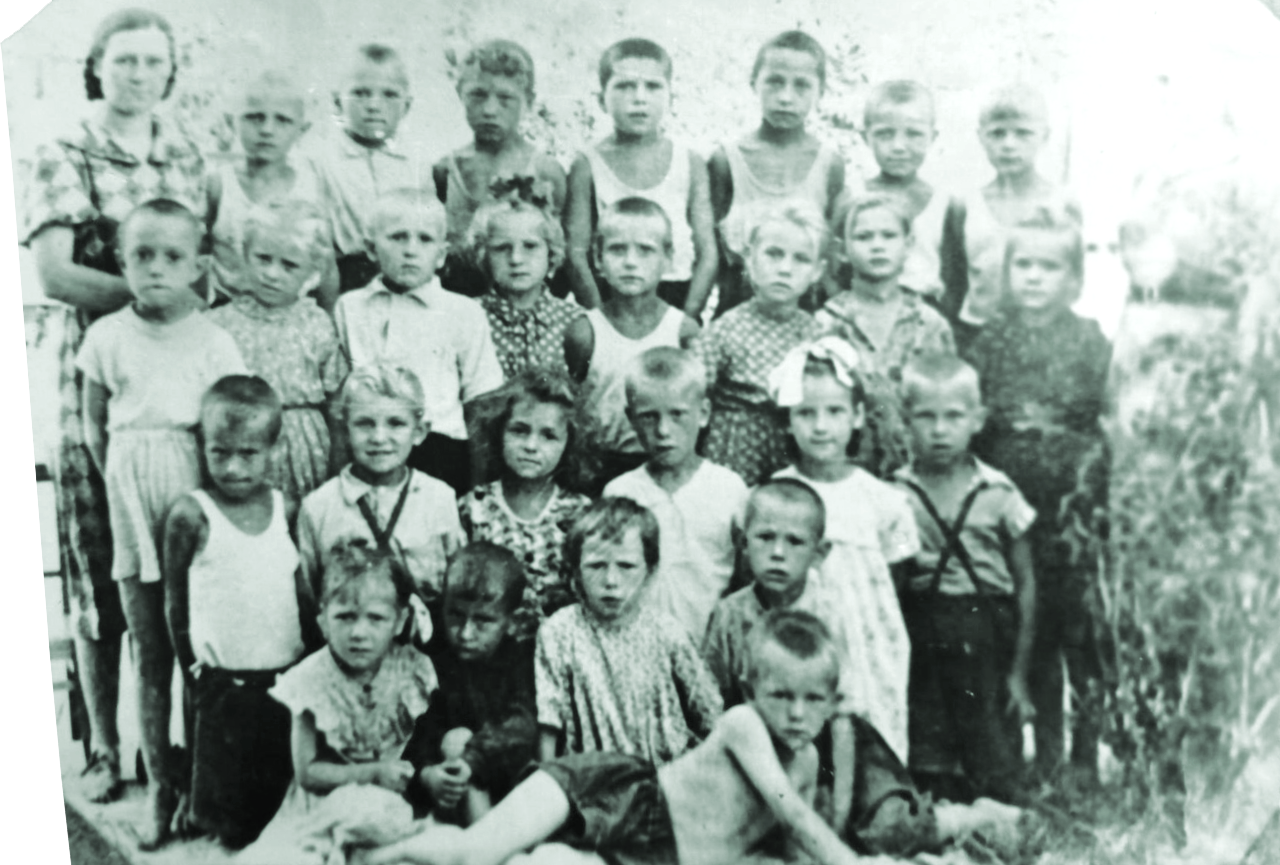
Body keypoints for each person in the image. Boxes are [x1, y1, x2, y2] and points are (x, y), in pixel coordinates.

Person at [20, 7, 206, 807]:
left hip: (180, 378)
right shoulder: (64, 151)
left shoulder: (187, 154)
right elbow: (56, 274)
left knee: (181, 556)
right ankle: (102, 745)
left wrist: (182, 310)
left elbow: (203, 261)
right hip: (96, 373)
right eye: (123, 60)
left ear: (170, 71)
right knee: (101, 565)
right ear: (97, 67)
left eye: (153, 61)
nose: (138, 74)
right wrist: (153, 302)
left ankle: (184, 751)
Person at [370, 610, 864, 865]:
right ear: (752, 690)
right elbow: (797, 818)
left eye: (813, 700)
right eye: (781, 696)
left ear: (832, 702)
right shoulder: (744, 723)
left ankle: (400, 849)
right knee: (476, 854)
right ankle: (378, 854)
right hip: (624, 797)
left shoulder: (806, 760)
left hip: (654, 856)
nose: (797, 714)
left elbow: (792, 846)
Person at [76, 198, 247, 846]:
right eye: (141, 255)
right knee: (149, 651)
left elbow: (232, 426)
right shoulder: (106, 336)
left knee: (197, 648)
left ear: (199, 265)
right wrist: (122, 483)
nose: (155, 268)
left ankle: (200, 788)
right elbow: (94, 425)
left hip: (192, 492)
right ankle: (159, 789)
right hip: (130, 493)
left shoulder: (215, 340)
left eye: (172, 256)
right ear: (121, 262)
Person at [703, 480, 948, 856]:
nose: (778, 553)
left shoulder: (829, 612)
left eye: (795, 542)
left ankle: (966, 817)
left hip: (835, 748)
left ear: (820, 553)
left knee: (886, 829)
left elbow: (842, 720)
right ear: (742, 543)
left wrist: (839, 813)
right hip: (764, 750)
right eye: (765, 538)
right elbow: (711, 706)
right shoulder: (729, 615)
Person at [964, 215, 1111, 783]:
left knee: (1081, 632)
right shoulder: (990, 341)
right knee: (1035, 629)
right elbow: (974, 423)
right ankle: (1045, 752)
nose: (1033, 277)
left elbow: (1107, 417)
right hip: (1012, 509)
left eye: (1049, 267)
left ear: (1074, 278)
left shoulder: (1090, 340)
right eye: (1023, 264)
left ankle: (1086, 756)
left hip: (1074, 511)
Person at [161, 376, 318, 849]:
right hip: (223, 682)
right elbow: (175, 604)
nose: (232, 467)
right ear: (202, 447)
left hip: (283, 678)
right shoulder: (192, 514)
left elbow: (299, 592)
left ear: (273, 449)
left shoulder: (286, 508)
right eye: (219, 452)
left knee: (281, 807)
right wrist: (192, 670)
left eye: (248, 454)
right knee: (230, 823)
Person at [892, 352, 1037, 804]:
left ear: (978, 420)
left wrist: (1019, 673)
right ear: (905, 421)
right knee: (928, 736)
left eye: (953, 416)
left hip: (987, 627)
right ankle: (938, 802)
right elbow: (892, 587)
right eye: (926, 417)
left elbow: (1026, 583)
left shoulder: (999, 492)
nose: (940, 430)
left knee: (989, 738)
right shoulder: (895, 495)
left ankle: (1000, 806)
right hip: (924, 626)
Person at [238, 540, 438, 865]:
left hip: (391, 800)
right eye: (345, 617)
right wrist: (372, 773)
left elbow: (425, 743)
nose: (359, 632)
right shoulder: (309, 680)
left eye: (376, 618)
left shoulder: (413, 669)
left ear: (400, 621)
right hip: (326, 802)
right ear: (323, 622)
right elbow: (308, 772)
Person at [769, 338, 918, 763]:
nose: (821, 426)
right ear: (787, 421)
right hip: (804, 637)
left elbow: (899, 572)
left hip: (871, 642)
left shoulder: (882, 500)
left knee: (873, 730)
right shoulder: (778, 495)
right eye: (806, 413)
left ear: (857, 416)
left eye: (835, 412)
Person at [335, 189, 504, 495]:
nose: (411, 250)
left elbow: (482, 397)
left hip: (440, 448)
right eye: (398, 237)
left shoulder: (463, 311)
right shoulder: (351, 307)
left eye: (425, 239)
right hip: (371, 442)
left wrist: (478, 480)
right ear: (371, 249)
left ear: (441, 255)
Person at [534, 497, 722, 765]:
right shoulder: (560, 631)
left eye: (626, 566)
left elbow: (709, 711)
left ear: (650, 571)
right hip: (589, 774)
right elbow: (549, 719)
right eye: (596, 566)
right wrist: (549, 774)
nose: (611, 581)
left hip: (662, 772)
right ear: (576, 571)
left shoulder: (666, 631)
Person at [297, 364, 465, 647]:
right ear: (345, 429)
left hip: (424, 650)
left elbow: (454, 588)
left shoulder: (439, 498)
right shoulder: (318, 507)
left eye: (395, 423)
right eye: (364, 423)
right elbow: (309, 598)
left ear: (419, 431)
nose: (378, 437)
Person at [604, 347, 748, 642]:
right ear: (631, 418)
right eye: (648, 417)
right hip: (640, 648)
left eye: (677, 415)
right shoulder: (621, 492)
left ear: (703, 413)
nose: (663, 430)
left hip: (710, 647)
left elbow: (744, 580)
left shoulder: (729, 489)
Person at [564, 38, 716, 315]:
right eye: (624, 86)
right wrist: (601, 321)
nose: (639, 98)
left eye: (653, 86)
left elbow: (708, 253)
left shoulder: (689, 162)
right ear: (601, 100)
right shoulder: (587, 165)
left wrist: (689, 316)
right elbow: (576, 254)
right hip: (611, 299)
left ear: (671, 98)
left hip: (676, 297)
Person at [208, 204, 348, 503]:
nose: (272, 274)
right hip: (240, 448)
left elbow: (336, 403)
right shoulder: (219, 324)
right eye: (263, 258)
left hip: (305, 448)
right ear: (244, 255)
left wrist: (339, 466)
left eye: (289, 265)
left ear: (312, 271)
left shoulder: (316, 323)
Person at [564, 197, 700, 491]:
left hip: (663, 464)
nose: (630, 262)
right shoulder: (584, 333)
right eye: (617, 249)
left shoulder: (683, 331)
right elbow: (573, 407)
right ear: (598, 258)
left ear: (668, 258)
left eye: (645, 250)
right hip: (600, 468)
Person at [709, 30, 845, 317]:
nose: (786, 97)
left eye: (801, 86)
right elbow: (711, 253)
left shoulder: (829, 164)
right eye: (774, 82)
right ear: (754, 83)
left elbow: (832, 255)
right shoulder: (727, 161)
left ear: (821, 91)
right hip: (737, 312)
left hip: (806, 311)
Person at [939, 83, 1082, 351]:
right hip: (975, 336)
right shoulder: (965, 205)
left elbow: (1072, 280)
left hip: (1043, 339)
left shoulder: (1062, 203)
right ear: (981, 137)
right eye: (997, 133)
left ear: (1044, 136)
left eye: (1023, 133)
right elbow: (952, 284)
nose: (1008, 144)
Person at [696, 201, 825, 485]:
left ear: (817, 271)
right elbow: (692, 391)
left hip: (792, 450)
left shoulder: (817, 335)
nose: (785, 269)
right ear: (750, 260)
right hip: (735, 450)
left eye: (801, 259)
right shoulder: (726, 329)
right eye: (773, 254)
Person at [409, 543, 537, 825]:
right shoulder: (432, 657)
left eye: (483, 620)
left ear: (513, 621)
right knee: (455, 740)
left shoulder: (521, 660)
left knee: (460, 743)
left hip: (506, 777)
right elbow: (418, 729)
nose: (466, 633)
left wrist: (474, 758)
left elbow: (522, 726)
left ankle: (485, 839)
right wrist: (427, 774)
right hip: (445, 783)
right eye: (455, 615)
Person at [459, 370, 592, 641]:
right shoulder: (474, 506)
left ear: (569, 444)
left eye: (548, 436)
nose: (531, 446)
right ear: (498, 432)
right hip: (491, 648)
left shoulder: (581, 512)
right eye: (519, 431)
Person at [433, 39, 567, 299]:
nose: (490, 110)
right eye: (477, 95)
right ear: (460, 94)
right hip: (458, 300)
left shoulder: (546, 171)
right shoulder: (445, 170)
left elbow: (560, 255)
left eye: (505, 98)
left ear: (529, 101)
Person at [207, 70, 338, 310]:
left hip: (293, 309)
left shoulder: (311, 184)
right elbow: (198, 257)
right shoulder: (218, 184)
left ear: (302, 130)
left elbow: (325, 264)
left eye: (282, 120)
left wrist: (329, 318)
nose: (267, 129)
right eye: (254, 117)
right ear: (231, 121)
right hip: (226, 308)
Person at [311, 43, 434, 293]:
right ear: (337, 102)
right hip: (343, 275)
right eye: (360, 93)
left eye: (389, 95)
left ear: (407, 106)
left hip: (406, 271)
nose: (374, 106)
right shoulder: (321, 160)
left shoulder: (416, 162)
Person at [818, 194, 954, 382]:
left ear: (908, 245)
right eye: (863, 237)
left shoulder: (930, 324)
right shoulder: (825, 323)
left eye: (889, 235)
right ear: (842, 251)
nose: (877, 246)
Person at [467, 195, 583, 379]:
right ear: (484, 255)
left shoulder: (575, 321)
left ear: (551, 252)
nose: (516, 259)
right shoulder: (468, 317)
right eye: (502, 248)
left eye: (530, 246)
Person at [857, 80, 950, 301]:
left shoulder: (944, 205)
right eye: (885, 134)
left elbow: (954, 277)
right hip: (865, 307)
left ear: (932, 137)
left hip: (927, 309)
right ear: (865, 137)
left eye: (913, 134)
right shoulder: (854, 197)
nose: (898, 146)